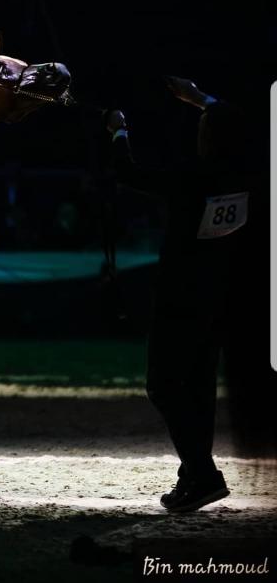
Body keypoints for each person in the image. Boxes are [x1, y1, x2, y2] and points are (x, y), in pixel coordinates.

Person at [106, 76, 253, 513]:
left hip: (180, 297)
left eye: (205, 126)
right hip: (222, 296)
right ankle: (193, 475)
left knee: (164, 385)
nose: (199, 132)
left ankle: (203, 473)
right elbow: (238, 120)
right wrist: (200, 98)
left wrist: (118, 131)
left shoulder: (194, 176)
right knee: (199, 386)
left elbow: (126, 172)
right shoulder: (246, 168)